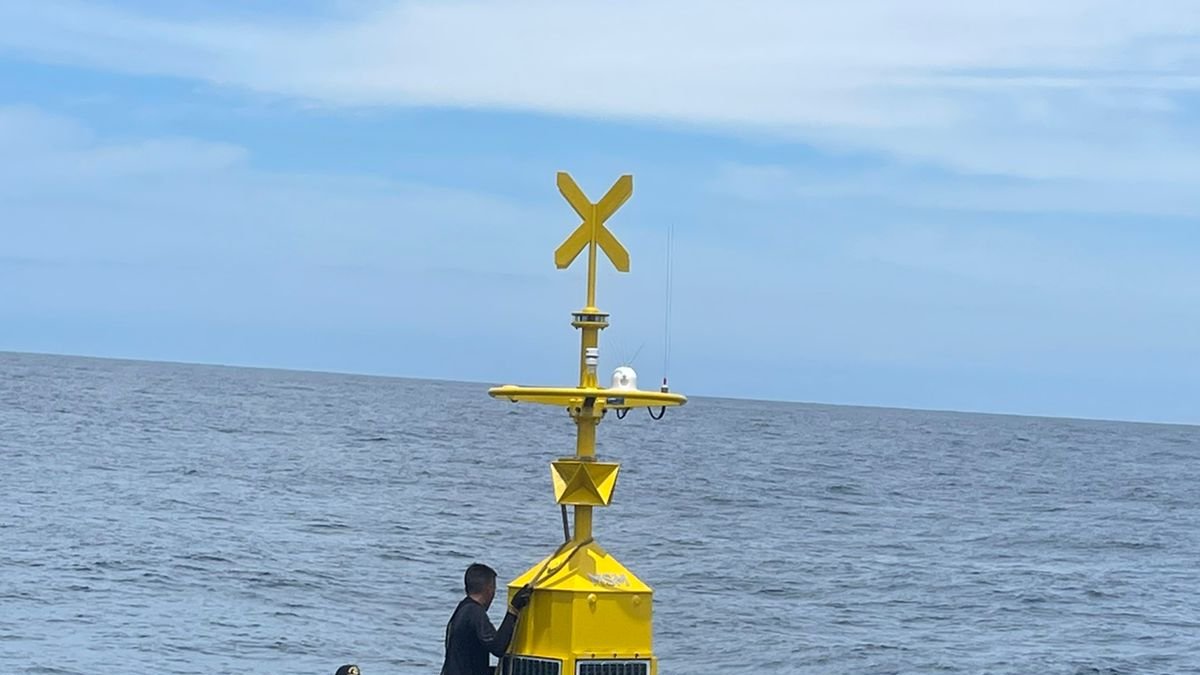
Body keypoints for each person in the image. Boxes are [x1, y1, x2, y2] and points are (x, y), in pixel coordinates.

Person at [440, 563, 533, 675]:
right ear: (489, 589)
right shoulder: (474, 612)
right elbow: (498, 647)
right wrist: (513, 610)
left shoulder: (462, 609)